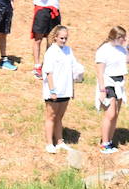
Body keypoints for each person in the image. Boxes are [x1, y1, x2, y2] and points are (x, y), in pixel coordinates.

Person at [41, 24, 80, 153]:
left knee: (59, 117)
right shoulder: (51, 52)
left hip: (65, 89)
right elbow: (48, 72)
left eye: (65, 38)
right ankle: (49, 143)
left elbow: (72, 70)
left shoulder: (68, 50)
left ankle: (59, 141)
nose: (64, 40)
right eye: (61, 38)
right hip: (54, 90)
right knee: (51, 116)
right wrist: (52, 90)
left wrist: (72, 89)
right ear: (55, 37)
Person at [94, 26, 129, 153]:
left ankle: (109, 141)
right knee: (110, 114)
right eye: (123, 38)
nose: (125, 39)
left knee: (115, 114)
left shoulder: (122, 49)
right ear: (117, 37)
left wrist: (127, 47)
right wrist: (102, 90)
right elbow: (99, 72)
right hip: (108, 82)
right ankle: (104, 143)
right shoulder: (103, 50)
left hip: (119, 82)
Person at [30, 0, 60, 80]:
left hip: (55, 8)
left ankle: (46, 65)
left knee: (51, 40)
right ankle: (37, 66)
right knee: (38, 39)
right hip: (42, 9)